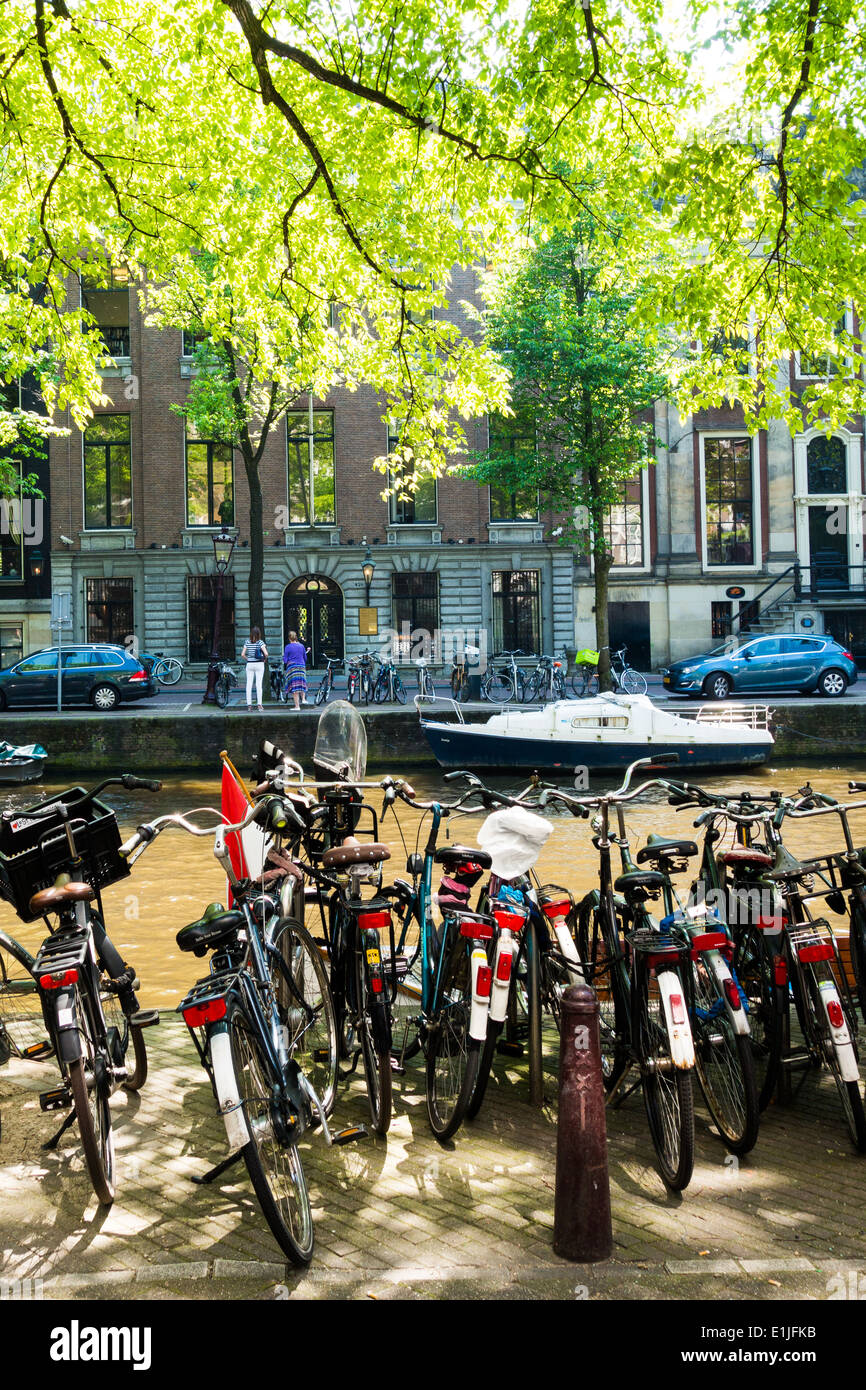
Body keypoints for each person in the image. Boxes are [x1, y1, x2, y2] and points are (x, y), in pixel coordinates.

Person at [241, 626, 268, 711]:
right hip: (259, 664)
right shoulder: (260, 642)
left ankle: (249, 705)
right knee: (258, 685)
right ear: (259, 634)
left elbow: (242, 654)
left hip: (250, 665)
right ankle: (259, 705)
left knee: (249, 685)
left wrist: (248, 659)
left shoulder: (247, 642)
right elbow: (266, 654)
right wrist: (264, 659)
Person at [282, 630, 309, 710]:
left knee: (294, 686)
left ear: (289, 638)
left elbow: (285, 660)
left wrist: (284, 659)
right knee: (302, 682)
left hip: (292, 667)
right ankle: (303, 699)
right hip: (301, 666)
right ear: (296, 637)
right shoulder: (301, 646)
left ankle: (297, 706)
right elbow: (305, 658)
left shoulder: (288, 647)